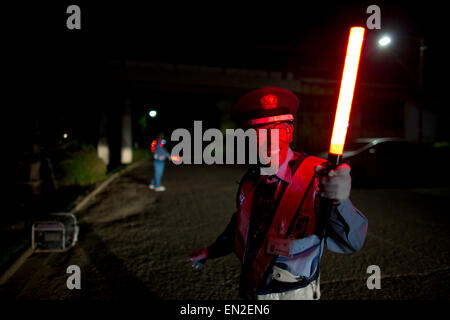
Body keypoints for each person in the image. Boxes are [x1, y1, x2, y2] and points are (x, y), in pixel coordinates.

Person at [188, 87, 368, 300]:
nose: (270, 140)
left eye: (278, 129)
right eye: (258, 132)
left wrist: (340, 202)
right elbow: (239, 226)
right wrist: (210, 251)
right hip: (250, 289)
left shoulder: (316, 176)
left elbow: (353, 242)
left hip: (294, 293)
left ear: (290, 132)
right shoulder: (249, 182)